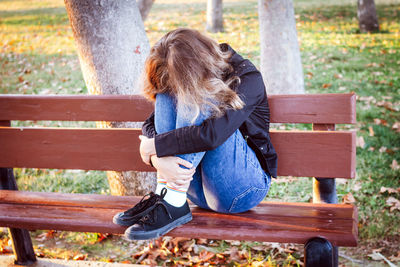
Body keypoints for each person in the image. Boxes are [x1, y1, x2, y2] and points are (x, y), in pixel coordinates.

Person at [113, 28, 277, 240]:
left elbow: (212, 136)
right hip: (193, 191)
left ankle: (171, 199)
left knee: (203, 93)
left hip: (241, 191)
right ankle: (167, 196)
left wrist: (153, 148)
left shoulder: (247, 77)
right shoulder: (187, 71)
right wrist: (157, 160)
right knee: (166, 92)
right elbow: (149, 124)